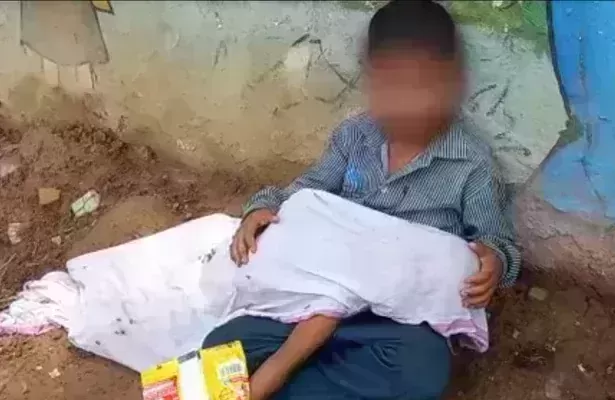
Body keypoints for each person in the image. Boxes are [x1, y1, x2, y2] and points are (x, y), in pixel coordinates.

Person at [203, 1, 521, 399]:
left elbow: (496, 241)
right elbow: (308, 192)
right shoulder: (354, 137)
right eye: (390, 87)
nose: (405, 103)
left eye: (422, 86)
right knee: (222, 345)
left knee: (422, 369)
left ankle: (290, 379)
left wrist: (494, 261)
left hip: (394, 319)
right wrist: (261, 208)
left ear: (451, 84)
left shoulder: (470, 164)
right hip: (319, 293)